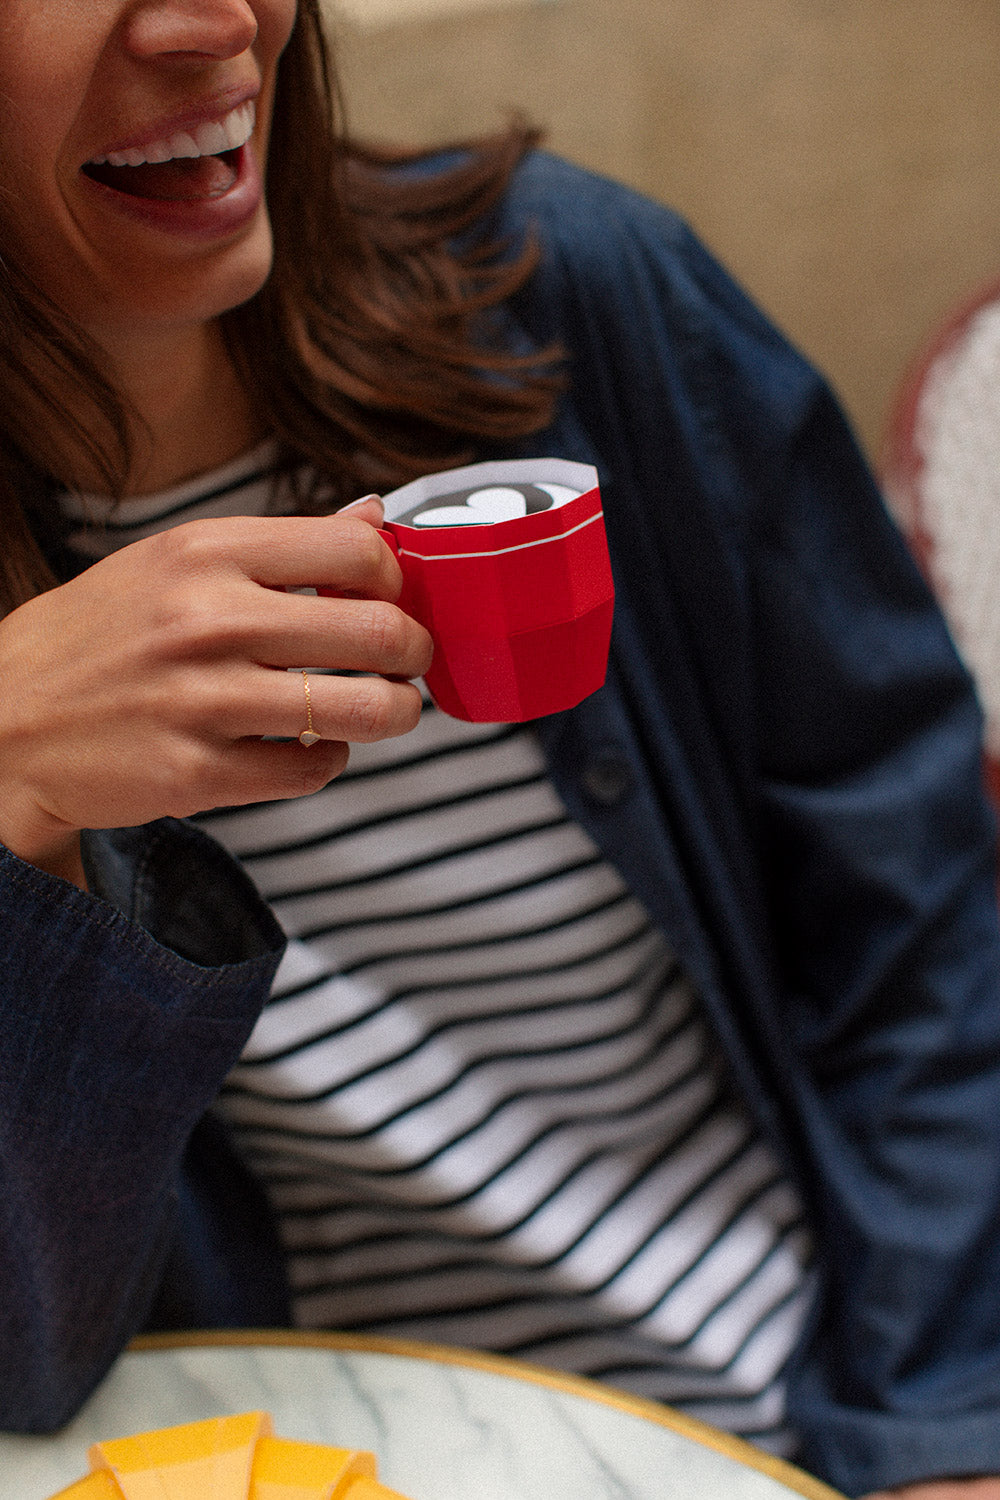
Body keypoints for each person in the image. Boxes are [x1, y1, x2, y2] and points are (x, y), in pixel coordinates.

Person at [1, 2, 999, 1495]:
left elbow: (925, 922)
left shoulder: (576, 295)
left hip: (822, 1394)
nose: (218, 19)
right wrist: (16, 799)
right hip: (315, 1448)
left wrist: (946, 1425)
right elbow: (34, 1360)